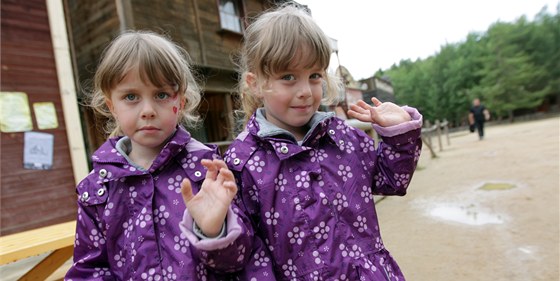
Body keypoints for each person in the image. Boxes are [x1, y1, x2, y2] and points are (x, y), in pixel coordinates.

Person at [221, 4, 423, 280]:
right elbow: (248, 257)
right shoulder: (241, 162)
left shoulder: (342, 136)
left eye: (314, 75)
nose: (305, 91)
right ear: (255, 83)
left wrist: (400, 134)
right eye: (288, 77)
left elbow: (391, 180)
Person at [65, 30, 275, 280]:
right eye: (131, 97)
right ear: (112, 106)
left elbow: (242, 261)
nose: (148, 110)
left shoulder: (207, 172)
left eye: (162, 95)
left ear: (182, 102)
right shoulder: (98, 189)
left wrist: (214, 231)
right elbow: (89, 270)